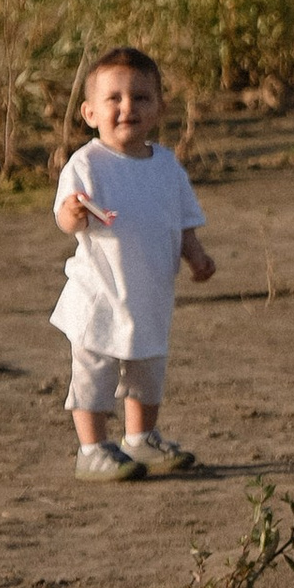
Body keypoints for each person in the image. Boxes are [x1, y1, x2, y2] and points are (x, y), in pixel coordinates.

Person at [51, 44, 215, 475]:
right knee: (94, 373)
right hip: (99, 296)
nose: (128, 108)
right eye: (114, 99)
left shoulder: (166, 165)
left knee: (147, 369)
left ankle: (141, 439)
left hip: (149, 295)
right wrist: (73, 211)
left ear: (160, 107)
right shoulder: (87, 163)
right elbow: (67, 218)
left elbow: (182, 221)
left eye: (141, 98)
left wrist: (196, 257)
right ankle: (92, 448)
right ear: (89, 112)